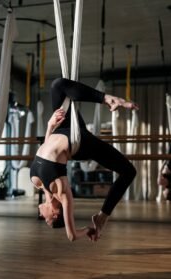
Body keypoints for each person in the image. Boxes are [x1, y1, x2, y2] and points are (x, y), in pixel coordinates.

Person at [30, 78, 138, 241]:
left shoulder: (37, 182)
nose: (41, 216)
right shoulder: (62, 191)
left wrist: (49, 126)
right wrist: (88, 230)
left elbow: (46, 148)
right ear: (55, 213)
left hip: (61, 128)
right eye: (46, 219)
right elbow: (71, 235)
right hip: (80, 143)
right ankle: (102, 217)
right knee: (129, 171)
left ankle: (107, 99)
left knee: (58, 85)